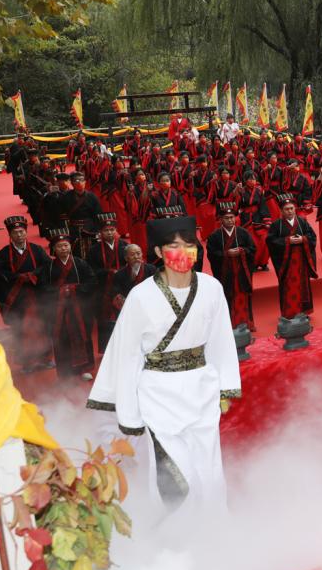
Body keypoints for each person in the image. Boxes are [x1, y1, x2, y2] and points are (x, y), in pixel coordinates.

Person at [86, 216, 241, 513]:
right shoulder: (140, 296)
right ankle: (177, 530)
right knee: (174, 471)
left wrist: (225, 388)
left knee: (208, 467)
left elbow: (221, 340)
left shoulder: (212, 288)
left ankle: (214, 526)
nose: (183, 252)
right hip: (158, 393)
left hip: (202, 388)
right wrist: (129, 413)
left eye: (189, 245)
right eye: (173, 246)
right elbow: (127, 355)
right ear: (158, 251)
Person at [0, 215, 52, 373]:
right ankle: (27, 362)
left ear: (26, 232)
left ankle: (45, 358)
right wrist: (17, 278)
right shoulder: (2, 255)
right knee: (22, 330)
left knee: (42, 326)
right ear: (10, 235)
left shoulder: (37, 250)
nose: (19, 235)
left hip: (37, 297)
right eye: (15, 232)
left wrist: (33, 276)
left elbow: (48, 268)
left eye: (21, 231)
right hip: (18, 299)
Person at [40, 229, 97, 379]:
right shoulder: (49, 267)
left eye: (66, 245)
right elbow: (43, 287)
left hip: (79, 308)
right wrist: (60, 291)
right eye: (60, 246)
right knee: (62, 338)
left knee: (82, 336)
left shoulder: (80, 263)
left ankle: (84, 368)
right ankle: (65, 371)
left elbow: (92, 281)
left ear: (70, 247)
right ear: (54, 249)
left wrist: (74, 289)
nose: (63, 249)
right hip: (58, 310)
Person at [266, 194, 318, 319]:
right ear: (281, 211)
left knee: (303, 285)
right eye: (286, 209)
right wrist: (287, 241)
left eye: (291, 208)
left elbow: (312, 237)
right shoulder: (276, 225)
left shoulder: (302, 222)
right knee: (288, 286)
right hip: (286, 263)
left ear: (295, 208)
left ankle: (304, 312)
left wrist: (303, 239)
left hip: (301, 261)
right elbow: (271, 241)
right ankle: (290, 312)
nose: (290, 211)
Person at [206, 203, 257, 331]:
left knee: (243, 295)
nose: (230, 220)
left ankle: (247, 323)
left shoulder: (243, 233)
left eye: (232, 217)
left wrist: (241, 251)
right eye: (227, 218)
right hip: (225, 274)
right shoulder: (215, 236)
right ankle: (229, 326)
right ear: (221, 219)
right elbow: (211, 254)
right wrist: (226, 254)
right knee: (227, 296)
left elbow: (252, 249)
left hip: (241, 273)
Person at [87, 213, 129, 355]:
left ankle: (126, 346)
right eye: (106, 230)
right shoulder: (94, 250)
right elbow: (91, 270)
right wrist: (108, 272)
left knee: (124, 316)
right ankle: (107, 349)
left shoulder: (124, 246)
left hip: (122, 287)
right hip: (103, 288)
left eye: (112, 230)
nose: (109, 233)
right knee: (104, 318)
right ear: (101, 232)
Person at [61, 172, 103, 258]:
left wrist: (97, 230)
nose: (79, 182)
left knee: (91, 252)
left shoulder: (92, 197)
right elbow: (62, 214)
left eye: (81, 180)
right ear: (72, 183)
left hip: (90, 229)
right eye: (76, 180)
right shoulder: (66, 197)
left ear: (85, 182)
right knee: (75, 252)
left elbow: (98, 215)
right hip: (73, 229)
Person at [238, 171, 271, 271]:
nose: (253, 181)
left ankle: (263, 262)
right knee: (252, 241)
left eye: (254, 179)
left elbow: (263, 206)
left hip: (258, 217)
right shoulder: (241, 191)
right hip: (246, 218)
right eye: (250, 179)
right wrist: (236, 193)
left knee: (265, 239)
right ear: (245, 180)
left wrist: (266, 220)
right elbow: (237, 206)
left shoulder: (259, 191)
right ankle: (253, 263)